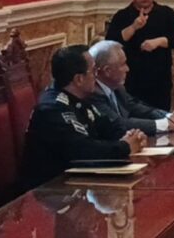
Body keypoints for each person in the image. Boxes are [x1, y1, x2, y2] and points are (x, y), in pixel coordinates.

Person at [20, 45, 146, 190]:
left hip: (77, 182)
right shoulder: (52, 108)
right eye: (93, 71)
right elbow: (83, 150)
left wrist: (131, 137)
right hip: (50, 190)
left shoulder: (79, 99)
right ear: (79, 79)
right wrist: (124, 147)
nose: (96, 76)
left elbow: (107, 126)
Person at [106, 0, 174, 110]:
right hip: (132, 80)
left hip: (160, 80)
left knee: (160, 116)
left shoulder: (166, 13)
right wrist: (133, 27)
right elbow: (111, 43)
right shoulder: (122, 16)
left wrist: (158, 42)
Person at [88, 40, 174, 136]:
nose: (127, 69)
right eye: (123, 64)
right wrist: (166, 124)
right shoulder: (92, 93)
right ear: (107, 70)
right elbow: (119, 123)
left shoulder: (117, 88)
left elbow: (137, 108)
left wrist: (171, 117)